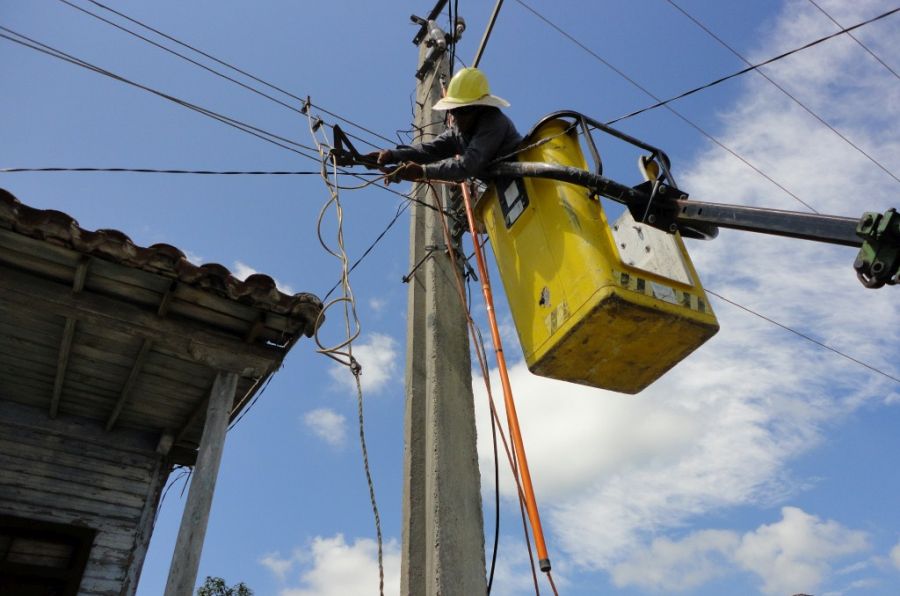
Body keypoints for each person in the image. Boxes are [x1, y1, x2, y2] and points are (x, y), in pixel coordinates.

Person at [365, 68, 522, 183]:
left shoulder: (493, 122)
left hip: (529, 182)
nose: (457, 117)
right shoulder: (458, 133)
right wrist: (393, 155)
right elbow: (429, 150)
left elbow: (468, 165)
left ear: (479, 108)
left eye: (462, 111)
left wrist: (423, 171)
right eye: (453, 111)